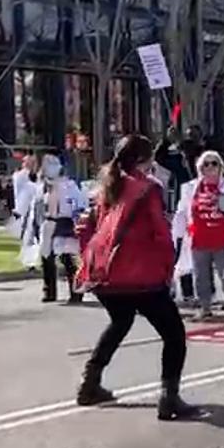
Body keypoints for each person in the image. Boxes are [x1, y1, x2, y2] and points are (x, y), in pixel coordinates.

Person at [74, 134, 203, 420]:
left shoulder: (107, 186)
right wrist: (168, 269)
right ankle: (169, 397)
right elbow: (160, 233)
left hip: (107, 275)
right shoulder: (148, 188)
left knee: (120, 322)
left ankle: (89, 382)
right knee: (174, 334)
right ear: (146, 160)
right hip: (140, 275)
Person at [172, 151, 224, 322]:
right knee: (201, 277)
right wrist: (178, 234)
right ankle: (204, 307)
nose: (210, 167)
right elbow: (182, 213)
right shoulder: (192, 189)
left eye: (214, 163)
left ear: (221, 167)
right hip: (199, 240)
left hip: (222, 241)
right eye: (206, 164)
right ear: (200, 168)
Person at [26, 152, 89, 303]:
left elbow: (78, 204)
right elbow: (37, 208)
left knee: (68, 259)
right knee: (47, 258)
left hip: (65, 223)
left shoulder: (69, 186)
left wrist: (76, 220)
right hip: (47, 224)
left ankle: (76, 292)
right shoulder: (41, 187)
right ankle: (49, 291)